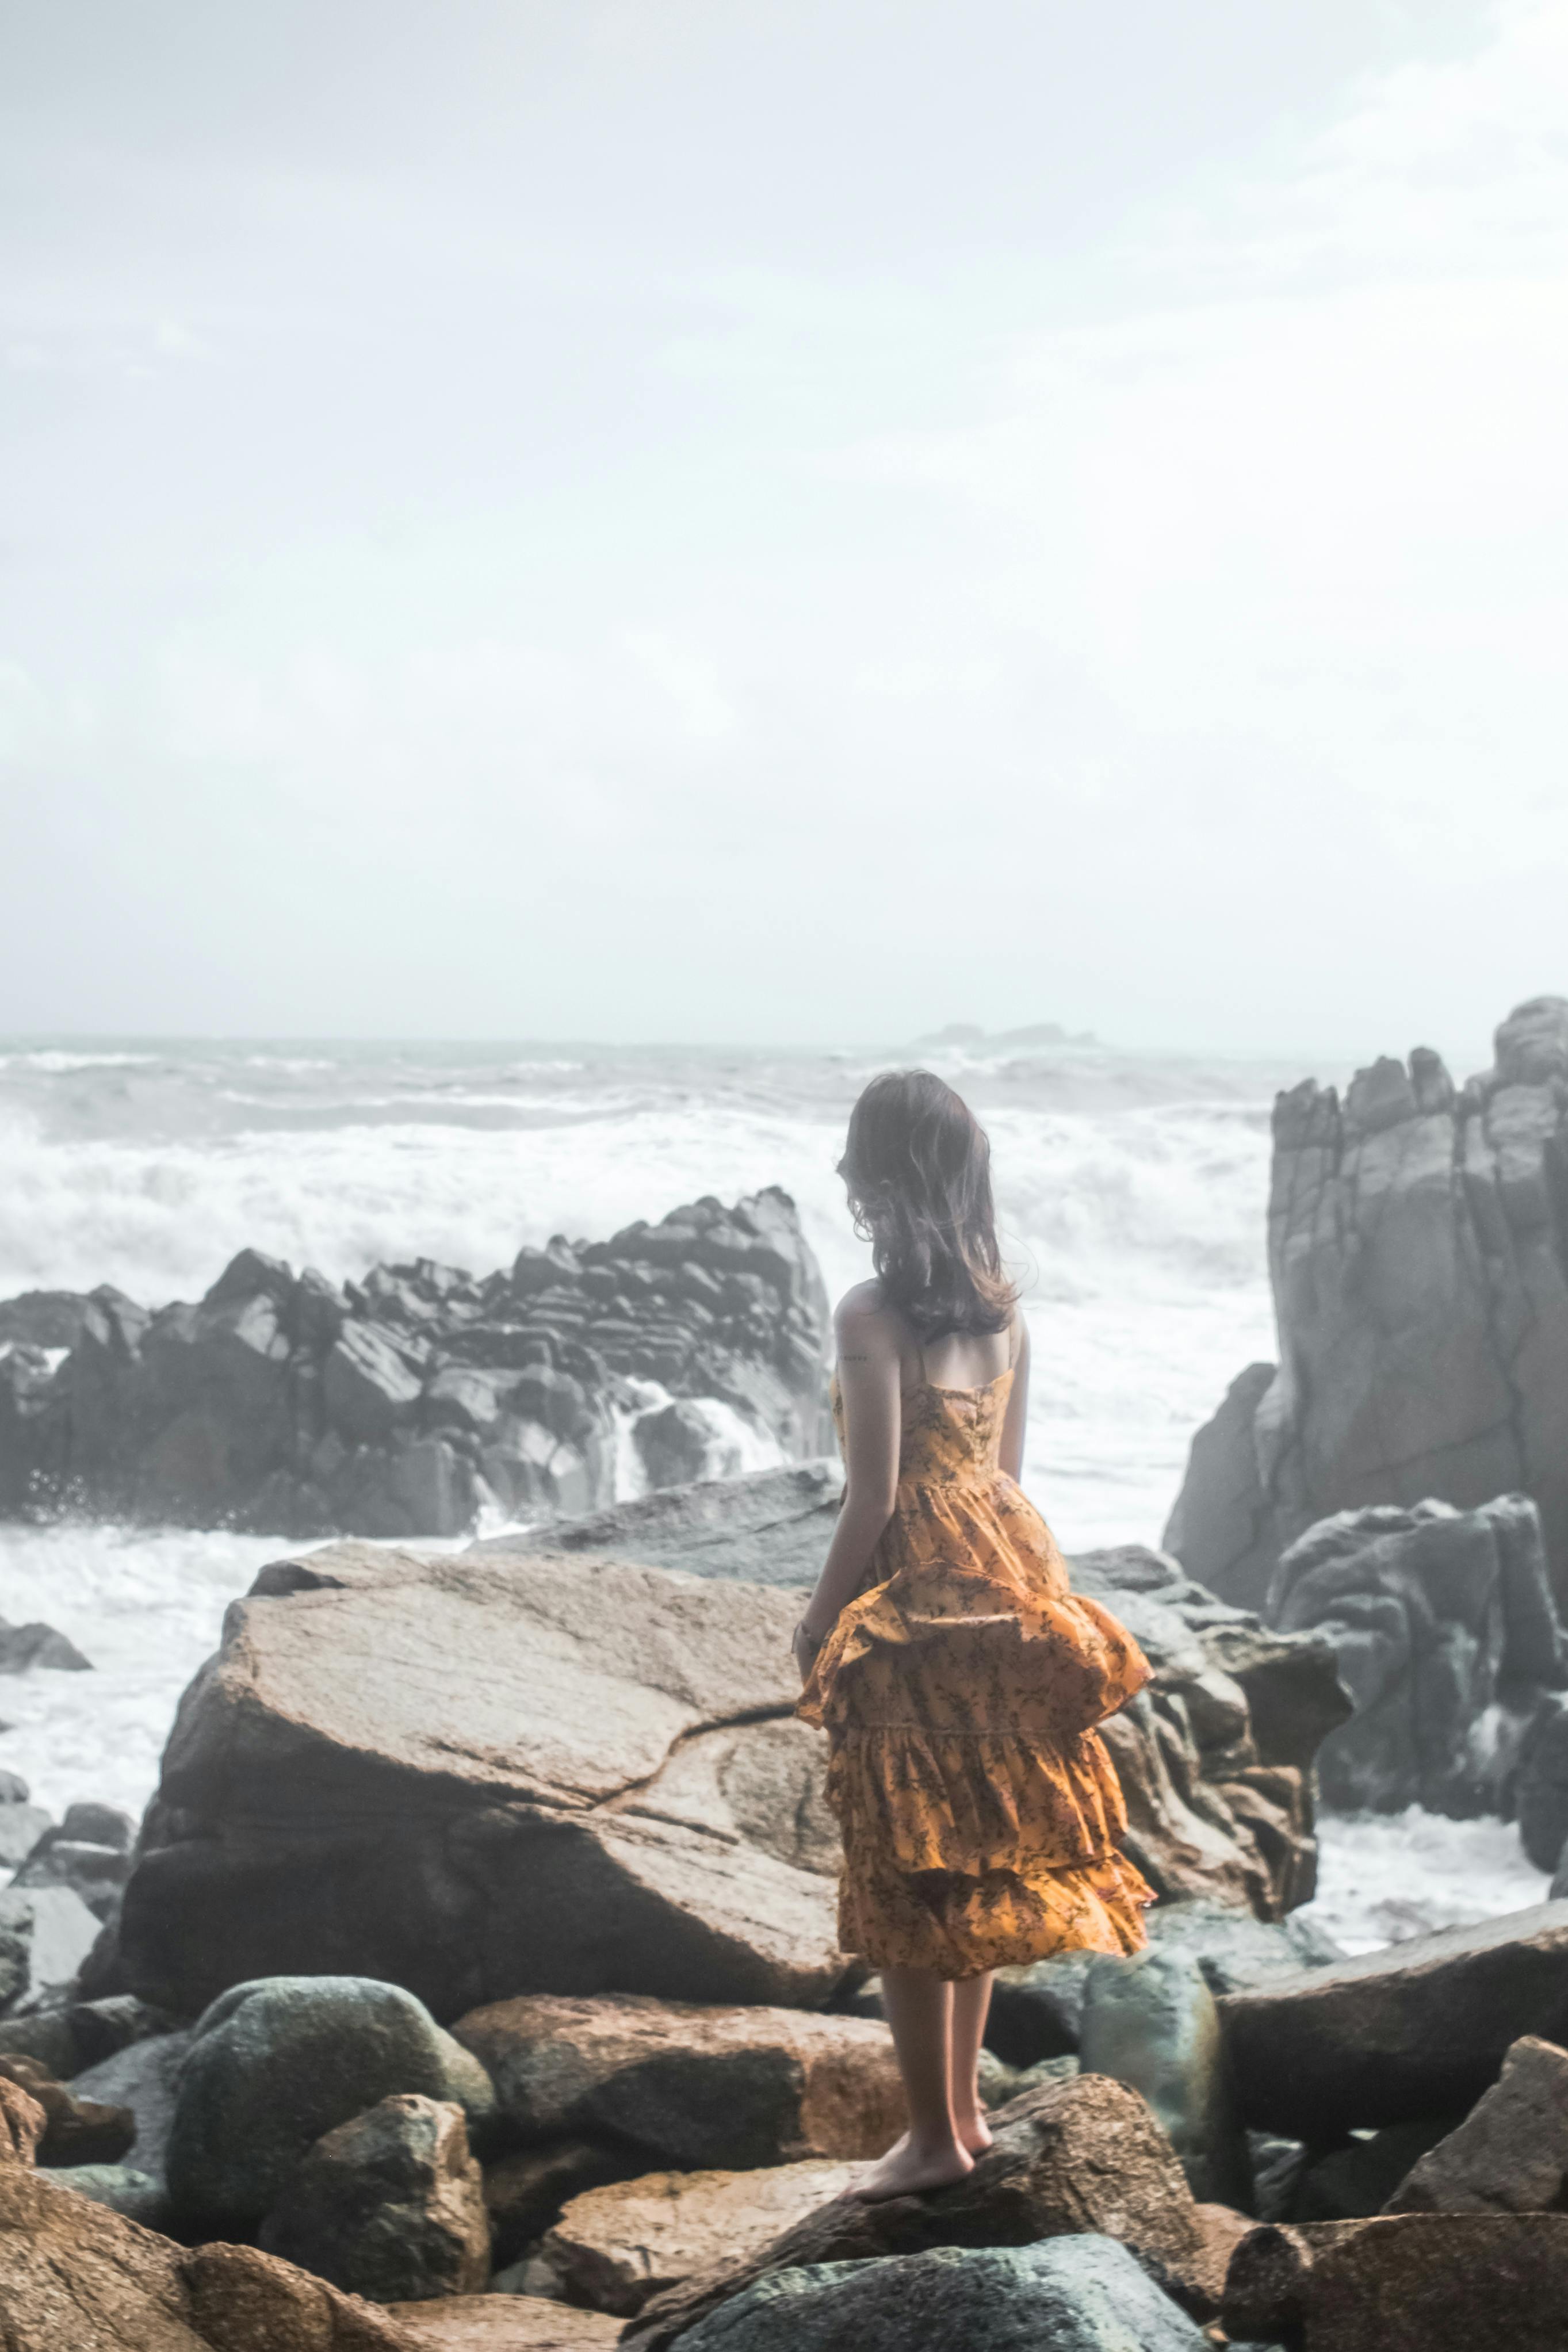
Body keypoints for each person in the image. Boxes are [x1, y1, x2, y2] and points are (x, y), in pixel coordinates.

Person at [794, 1068, 1153, 2202]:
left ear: (875, 1174)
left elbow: (874, 1494)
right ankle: (964, 2119)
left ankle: (932, 2133)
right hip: (1003, 1572)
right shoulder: (1005, 1315)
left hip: (911, 1593)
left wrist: (817, 1620)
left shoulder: (870, 1315)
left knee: (905, 1862)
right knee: (981, 1846)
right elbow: (1008, 1479)